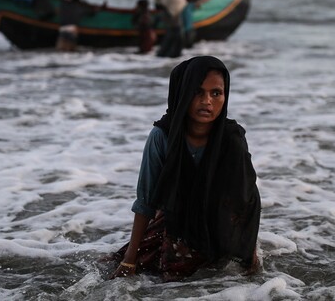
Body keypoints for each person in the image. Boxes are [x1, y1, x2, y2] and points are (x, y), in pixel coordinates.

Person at [109, 56, 261, 281]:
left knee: (220, 278)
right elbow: (145, 201)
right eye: (197, 92)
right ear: (181, 93)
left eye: (216, 93)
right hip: (176, 219)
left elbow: (245, 200)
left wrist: (249, 253)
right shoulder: (162, 136)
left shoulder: (232, 139)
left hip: (219, 223)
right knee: (136, 270)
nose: (207, 101)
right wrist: (129, 259)